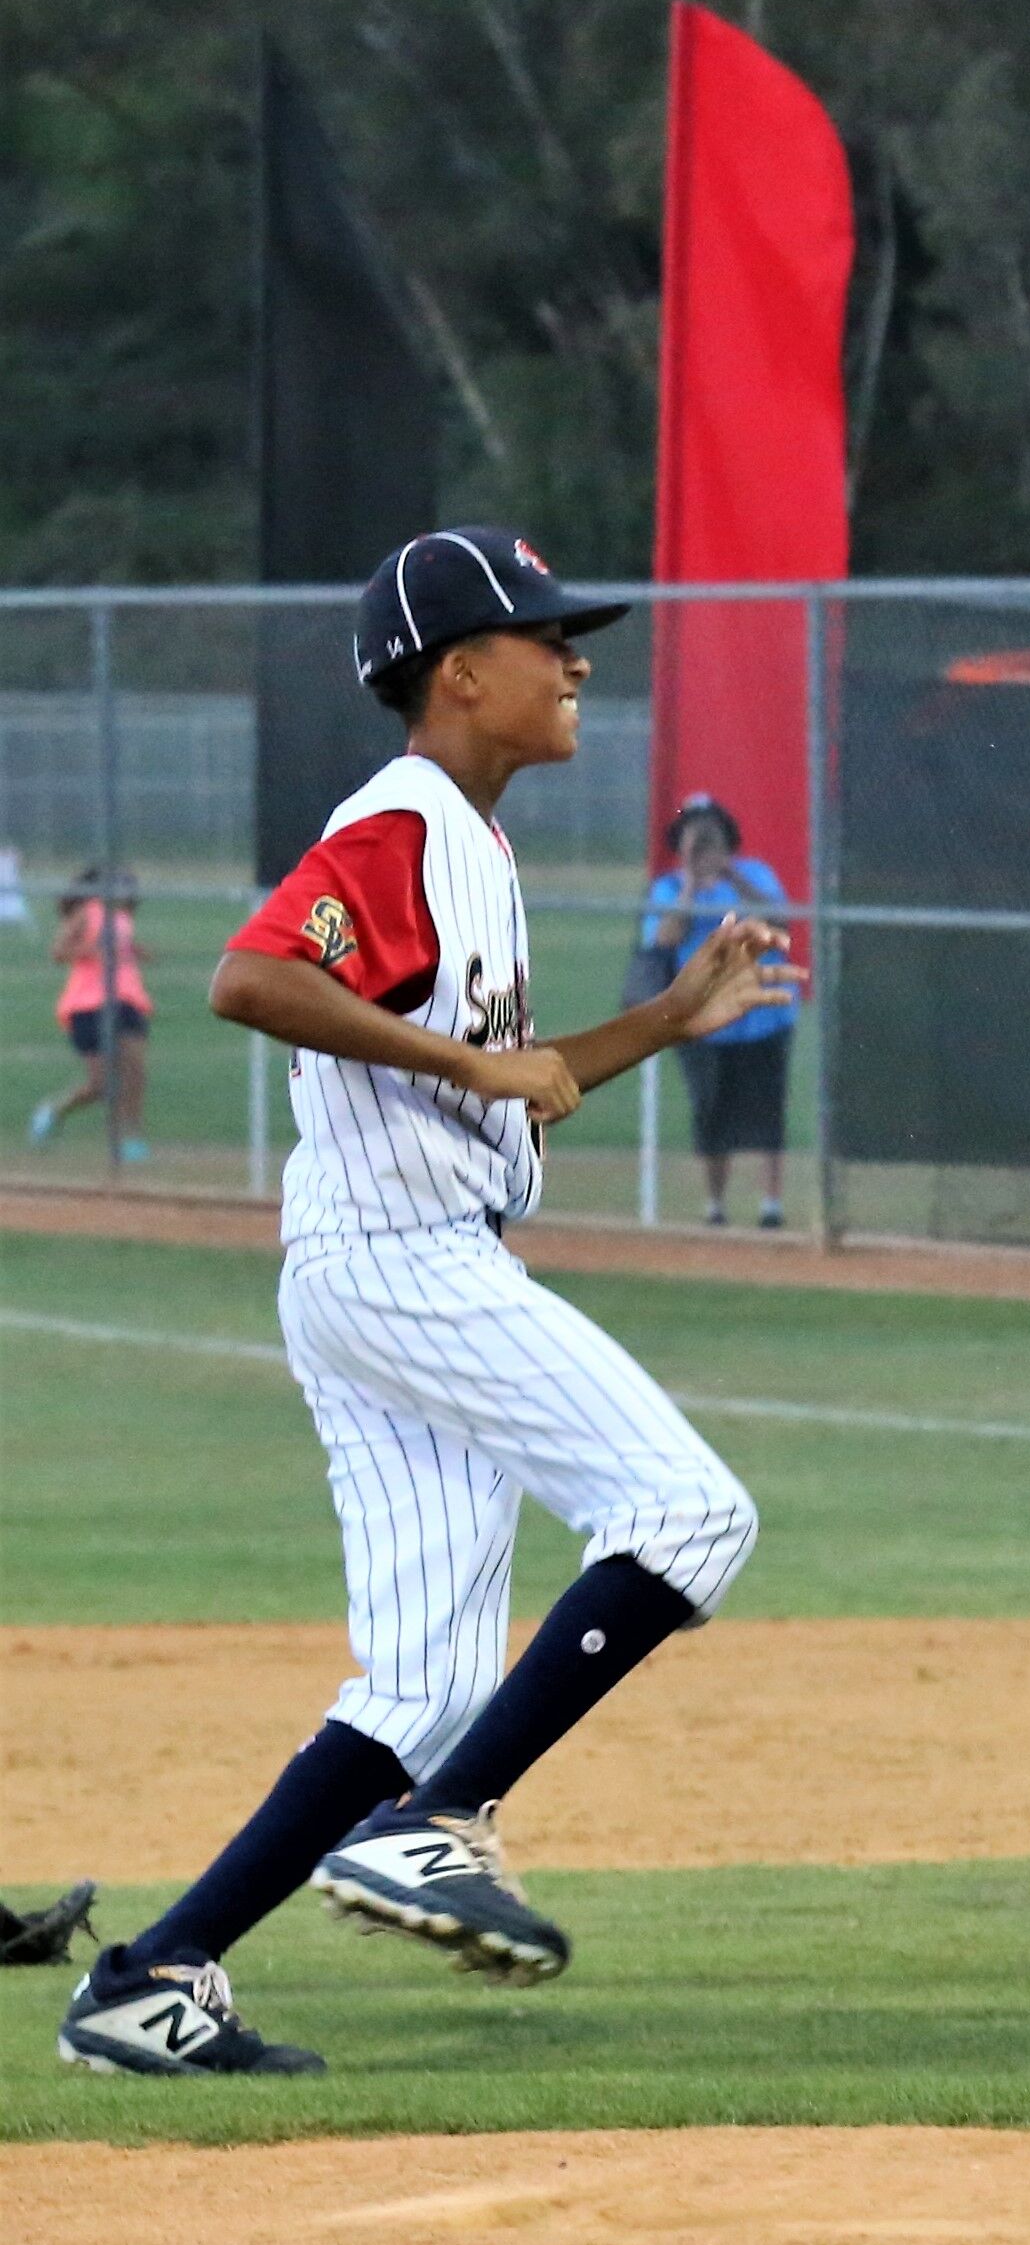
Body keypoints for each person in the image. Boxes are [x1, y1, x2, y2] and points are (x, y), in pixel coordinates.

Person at [55, 528, 791, 2077]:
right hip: (403, 1262)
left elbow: (522, 1093)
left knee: (427, 1680)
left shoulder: (469, 839)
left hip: (383, 1262)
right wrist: (468, 1062)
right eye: (544, 639)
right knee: (690, 1514)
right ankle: (441, 1822)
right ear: (460, 674)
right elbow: (247, 979)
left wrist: (667, 1016)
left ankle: (152, 1973)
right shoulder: (401, 822)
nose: (577, 659)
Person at [636, 795, 799, 1227]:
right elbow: (665, 937)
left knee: (767, 1109)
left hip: (763, 1016)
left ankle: (771, 1205)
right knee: (711, 1111)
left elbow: (780, 920)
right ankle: (716, 1206)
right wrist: (692, 881)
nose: (705, 843)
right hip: (707, 1019)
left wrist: (729, 874)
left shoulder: (754, 876)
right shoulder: (670, 888)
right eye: (694, 835)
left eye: (711, 834)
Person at [29, 866, 148, 1160]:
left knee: (134, 1070)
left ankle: (129, 1137)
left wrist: (137, 951)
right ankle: (53, 1112)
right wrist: (91, 951)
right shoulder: (89, 912)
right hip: (89, 1003)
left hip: (126, 999)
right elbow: (58, 951)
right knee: (101, 1083)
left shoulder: (122, 917)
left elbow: (122, 948)